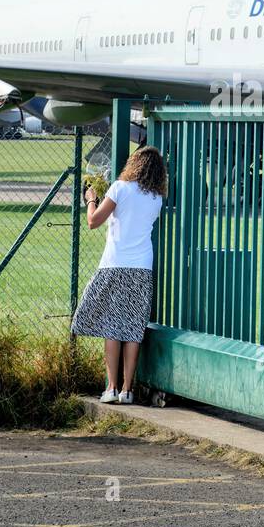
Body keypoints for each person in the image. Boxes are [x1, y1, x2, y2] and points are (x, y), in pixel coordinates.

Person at [71, 146, 167, 404]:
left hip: (115, 264)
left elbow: (93, 221)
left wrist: (91, 199)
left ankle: (111, 387)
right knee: (133, 329)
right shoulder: (156, 198)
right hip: (142, 267)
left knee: (112, 327)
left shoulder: (119, 188)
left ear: (133, 164)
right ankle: (127, 389)